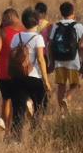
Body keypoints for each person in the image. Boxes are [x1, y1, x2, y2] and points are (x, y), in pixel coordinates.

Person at [7, 10, 51, 141]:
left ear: (23, 22)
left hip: (17, 77)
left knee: (17, 111)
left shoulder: (16, 37)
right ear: (37, 22)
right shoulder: (38, 38)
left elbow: (13, 56)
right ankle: (36, 132)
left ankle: (16, 139)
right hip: (34, 76)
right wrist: (46, 80)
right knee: (42, 105)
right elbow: (41, 60)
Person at [48, 2, 83, 115]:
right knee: (75, 84)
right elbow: (82, 44)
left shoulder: (56, 26)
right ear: (73, 12)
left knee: (61, 85)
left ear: (61, 13)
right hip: (73, 60)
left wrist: (52, 61)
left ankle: (62, 112)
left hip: (59, 60)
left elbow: (50, 44)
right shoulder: (78, 26)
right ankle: (67, 97)